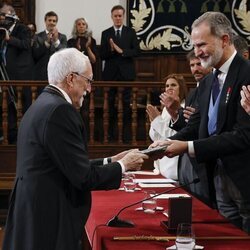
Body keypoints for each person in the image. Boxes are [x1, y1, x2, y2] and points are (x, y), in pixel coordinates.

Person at [2, 48, 148, 250]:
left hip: (34, 210)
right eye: (88, 81)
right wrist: (124, 165)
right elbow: (82, 177)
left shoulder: (42, 104)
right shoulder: (60, 110)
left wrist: (111, 161)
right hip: (48, 216)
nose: (89, 89)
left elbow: (65, 164)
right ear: (71, 78)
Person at [151, 12, 250, 233]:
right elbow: (194, 127)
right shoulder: (207, 83)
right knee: (227, 242)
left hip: (244, 182)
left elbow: (243, 135)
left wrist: (187, 147)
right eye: (194, 46)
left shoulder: (246, 73)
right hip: (215, 181)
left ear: (224, 40)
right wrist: (166, 142)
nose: (197, 52)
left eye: (202, 44)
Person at [170, 50, 213, 206]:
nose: (195, 69)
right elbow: (189, 126)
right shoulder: (193, 92)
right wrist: (176, 114)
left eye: (199, 63)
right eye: (192, 65)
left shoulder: (213, 88)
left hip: (204, 157)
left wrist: (166, 142)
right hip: (188, 158)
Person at [100, 5, 140, 142]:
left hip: (126, 75)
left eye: (120, 16)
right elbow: (102, 55)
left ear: (123, 17)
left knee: (127, 106)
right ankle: (110, 135)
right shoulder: (106, 33)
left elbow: (136, 52)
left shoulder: (130, 32)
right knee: (109, 107)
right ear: (112, 17)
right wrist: (111, 50)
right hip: (110, 76)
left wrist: (121, 51)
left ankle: (127, 136)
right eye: (115, 16)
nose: (118, 18)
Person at [0, 3, 34, 143]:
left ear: (11, 15)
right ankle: (11, 136)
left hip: (22, 76)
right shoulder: (2, 30)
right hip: (6, 75)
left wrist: (9, 39)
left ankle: (26, 137)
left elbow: (26, 45)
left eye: (3, 15)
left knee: (24, 106)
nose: (1, 18)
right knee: (8, 106)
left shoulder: (23, 28)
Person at [146, 74, 187, 180]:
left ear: (181, 88)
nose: (169, 88)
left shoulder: (184, 107)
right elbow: (156, 138)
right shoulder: (165, 109)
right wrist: (154, 122)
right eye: (167, 86)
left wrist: (157, 121)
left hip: (173, 164)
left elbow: (174, 136)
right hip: (161, 165)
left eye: (173, 85)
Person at [32, 11, 67, 82]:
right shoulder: (37, 36)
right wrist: (47, 43)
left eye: (54, 21)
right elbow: (36, 54)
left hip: (58, 72)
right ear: (45, 21)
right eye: (49, 20)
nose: (52, 23)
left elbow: (64, 54)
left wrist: (56, 41)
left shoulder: (62, 37)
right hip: (41, 72)